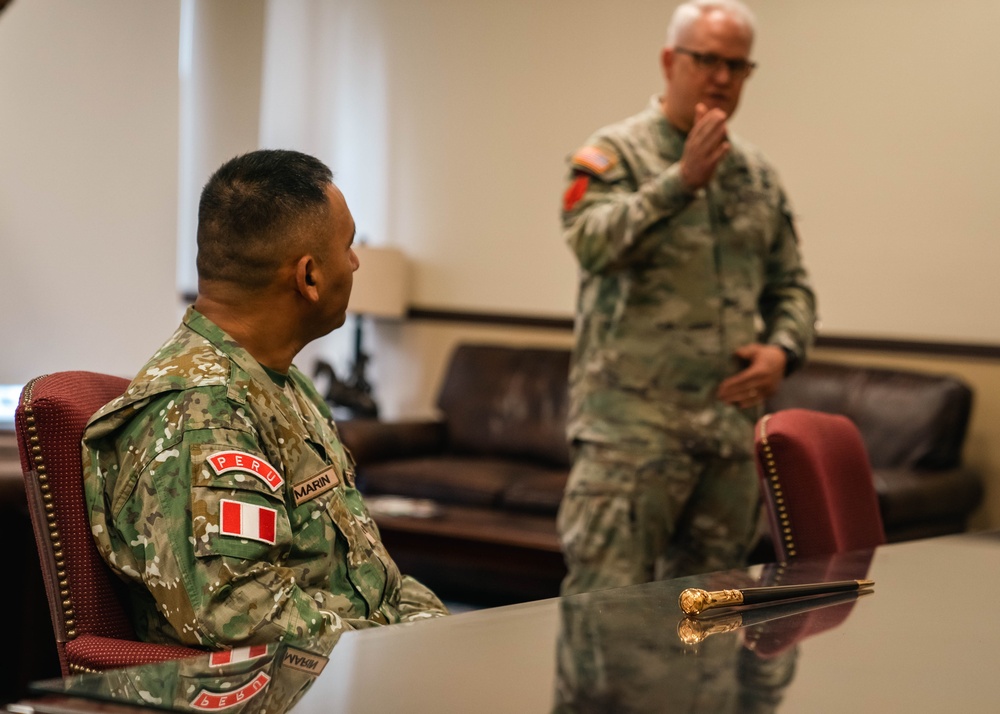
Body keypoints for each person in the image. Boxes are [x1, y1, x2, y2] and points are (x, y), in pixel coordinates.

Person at [83, 149, 447, 655]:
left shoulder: (283, 385)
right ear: (309, 277)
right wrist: (394, 648)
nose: (356, 262)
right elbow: (238, 613)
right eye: (347, 246)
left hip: (352, 675)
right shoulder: (201, 412)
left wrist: (440, 635)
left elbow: (369, 575)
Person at [558, 0, 816, 595]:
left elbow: (791, 285)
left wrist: (783, 351)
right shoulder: (613, 154)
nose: (722, 78)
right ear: (670, 61)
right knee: (606, 616)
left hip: (725, 435)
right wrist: (681, 182)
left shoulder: (756, 174)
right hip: (630, 438)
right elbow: (591, 242)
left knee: (710, 626)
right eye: (706, 61)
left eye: (737, 66)